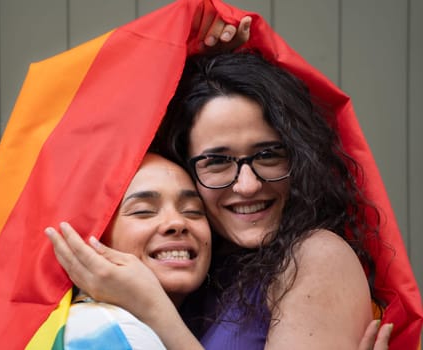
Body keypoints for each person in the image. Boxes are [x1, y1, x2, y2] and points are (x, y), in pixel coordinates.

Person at [47, 51, 394, 349]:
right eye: (217, 161)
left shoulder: (317, 256)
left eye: (268, 155)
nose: (247, 185)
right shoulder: (200, 272)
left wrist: (153, 309)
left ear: (299, 160)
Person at [46, 152, 212, 349]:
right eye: (143, 210)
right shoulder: (109, 329)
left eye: (192, 210)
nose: (177, 222)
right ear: (94, 237)